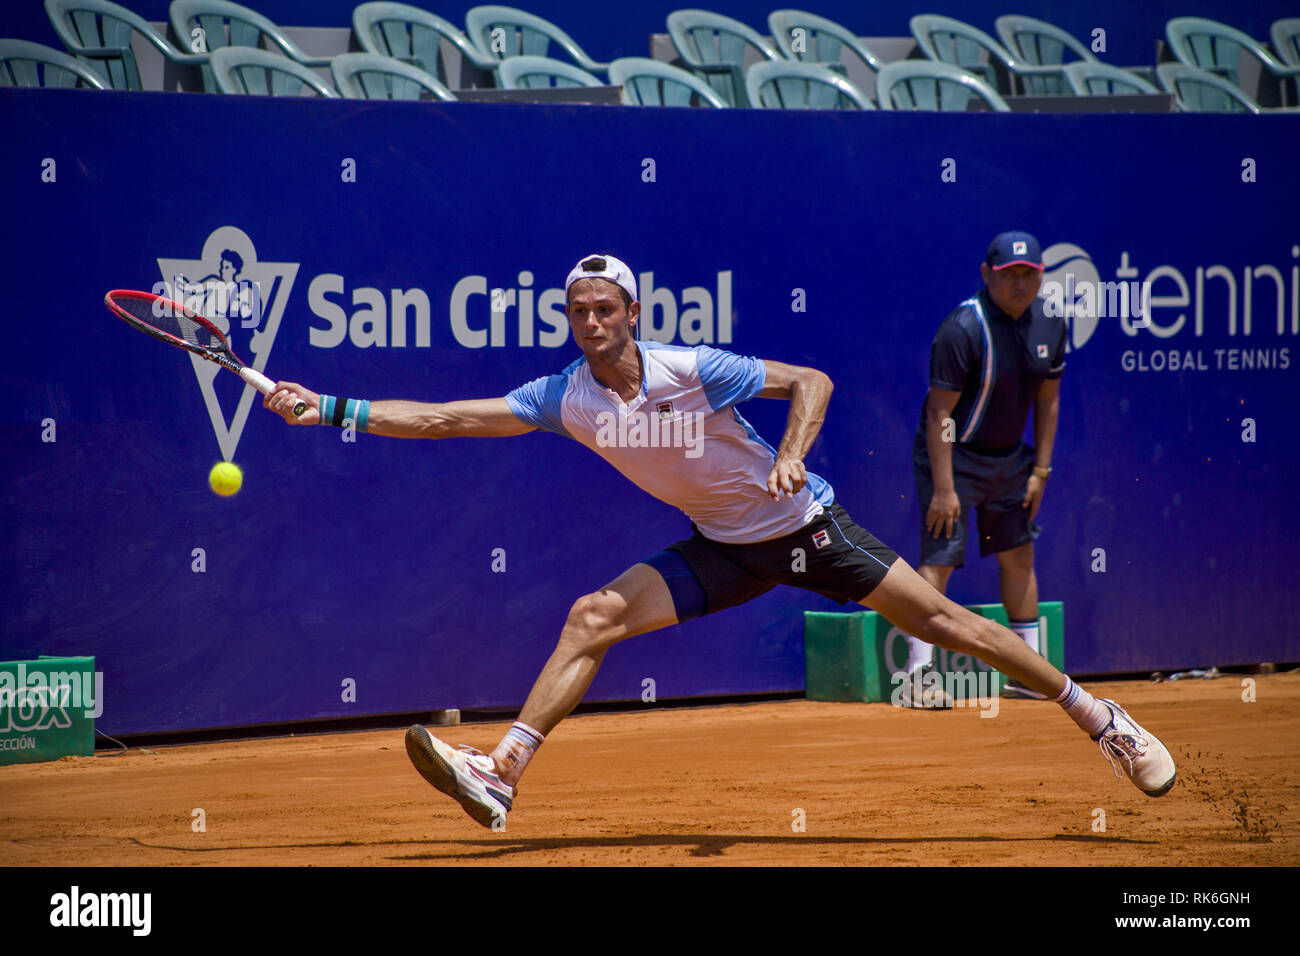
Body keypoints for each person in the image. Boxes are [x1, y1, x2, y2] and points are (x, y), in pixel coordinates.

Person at [263, 253, 1175, 830]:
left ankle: (1101, 719)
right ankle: (503, 772)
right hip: (723, 547)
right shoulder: (564, 397)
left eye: (603, 309)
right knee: (592, 615)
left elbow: (810, 381)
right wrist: (333, 407)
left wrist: (788, 457)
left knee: (947, 625)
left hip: (807, 527)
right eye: (576, 311)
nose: (589, 323)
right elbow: (448, 421)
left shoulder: (690, 369)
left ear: (630, 310)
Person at [898, 231, 1064, 709]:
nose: (1018, 284)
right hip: (953, 454)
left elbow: (1048, 401)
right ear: (987, 274)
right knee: (940, 558)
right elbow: (939, 415)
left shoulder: (1050, 325)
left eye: (1027, 275)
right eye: (1008, 275)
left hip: (1012, 460)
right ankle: (918, 677)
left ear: (1039, 277)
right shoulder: (962, 328)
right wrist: (945, 487)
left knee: (1018, 557)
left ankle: (1029, 672)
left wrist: (1041, 469)